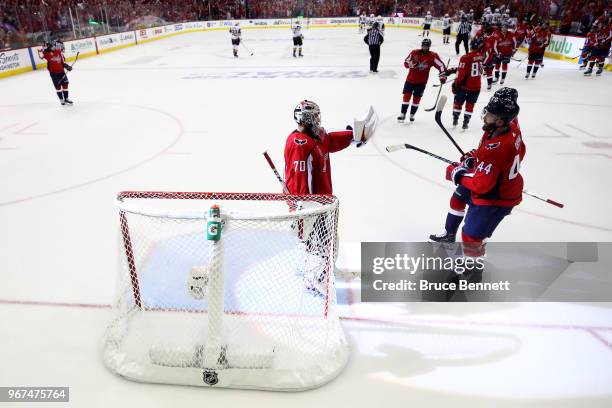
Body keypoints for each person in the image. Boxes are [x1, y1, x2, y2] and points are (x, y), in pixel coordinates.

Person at [284, 100, 375, 294]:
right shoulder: (300, 144)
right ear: (307, 118)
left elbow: (330, 140)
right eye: (315, 116)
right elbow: (300, 178)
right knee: (316, 243)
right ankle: (313, 280)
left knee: (330, 239)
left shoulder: (315, 136)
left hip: (323, 201)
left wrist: (353, 136)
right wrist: (305, 207)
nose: (318, 119)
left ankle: (326, 271)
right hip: (312, 205)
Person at [430, 89, 525, 245]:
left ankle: (472, 268)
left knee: (471, 237)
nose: (485, 115)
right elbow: (519, 151)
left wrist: (458, 174)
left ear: (500, 121)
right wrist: (476, 158)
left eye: (490, 114)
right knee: (457, 198)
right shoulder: (509, 127)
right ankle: (449, 234)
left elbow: (482, 185)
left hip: (495, 197)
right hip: (492, 180)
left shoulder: (496, 148)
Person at [397, 38, 447, 123]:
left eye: (427, 46)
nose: (425, 47)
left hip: (421, 82)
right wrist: (411, 64)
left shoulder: (433, 56)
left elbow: (441, 66)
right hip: (410, 80)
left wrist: (442, 76)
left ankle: (412, 115)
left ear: (429, 46)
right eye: (423, 45)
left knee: (416, 99)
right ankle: (403, 114)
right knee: (406, 97)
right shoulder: (414, 52)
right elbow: (406, 62)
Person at [448, 36, 486, 129]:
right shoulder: (481, 56)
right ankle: (466, 122)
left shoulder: (465, 57)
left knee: (458, 103)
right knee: (470, 105)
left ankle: (455, 119)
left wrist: (456, 84)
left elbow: (461, 74)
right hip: (476, 86)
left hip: (464, 86)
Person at [38, 39, 73, 106]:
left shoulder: (58, 51)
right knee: (58, 86)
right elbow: (40, 56)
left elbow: (62, 61)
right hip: (54, 73)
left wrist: (66, 66)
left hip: (61, 71)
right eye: (52, 46)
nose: (54, 47)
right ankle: (61, 100)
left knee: (65, 84)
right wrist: (43, 49)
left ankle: (66, 98)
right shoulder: (46, 54)